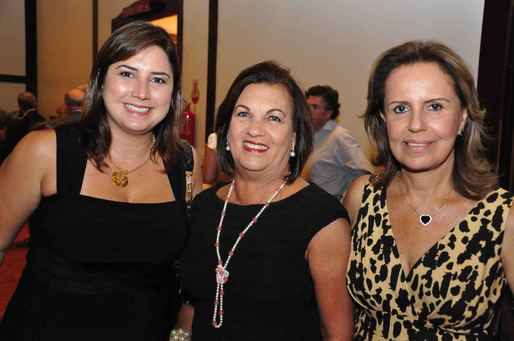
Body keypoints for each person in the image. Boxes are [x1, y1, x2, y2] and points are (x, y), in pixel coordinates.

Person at [0, 21, 202, 340]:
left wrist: (182, 329)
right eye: (126, 73)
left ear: (173, 92)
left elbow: (192, 267)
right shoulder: (45, 151)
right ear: (100, 79)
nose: (142, 92)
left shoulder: (185, 164)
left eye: (158, 79)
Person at [343, 40, 514, 339]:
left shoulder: (503, 216)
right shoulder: (362, 197)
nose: (416, 125)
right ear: (384, 119)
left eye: (434, 106)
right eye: (400, 108)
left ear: (462, 116)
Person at [177, 61, 354, 341]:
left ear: (295, 137)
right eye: (244, 114)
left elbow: (338, 334)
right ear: (225, 131)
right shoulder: (204, 207)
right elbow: (192, 300)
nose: (255, 130)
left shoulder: (322, 220)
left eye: (274, 118)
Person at [301, 85, 371, 200]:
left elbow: (365, 173)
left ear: (329, 112)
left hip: (329, 211)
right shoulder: (308, 136)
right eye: (306, 106)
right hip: (308, 206)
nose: (307, 111)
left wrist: (346, 201)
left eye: (314, 107)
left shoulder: (340, 136)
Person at [0, 92, 45, 163]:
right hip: (39, 159)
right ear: (35, 103)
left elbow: (10, 147)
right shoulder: (43, 119)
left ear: (20, 106)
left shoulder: (18, 124)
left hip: (20, 161)